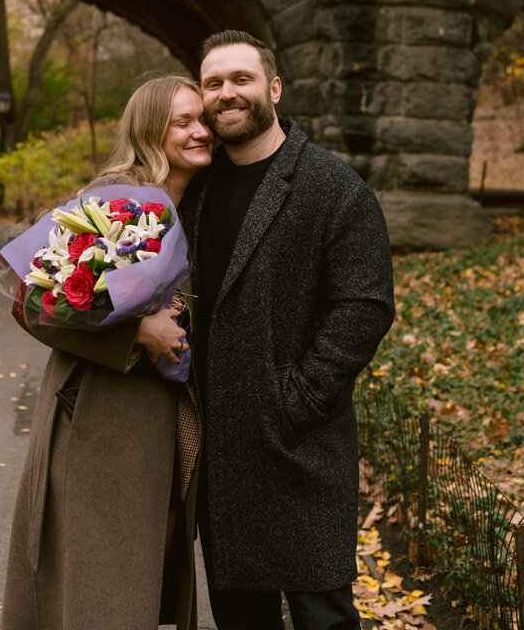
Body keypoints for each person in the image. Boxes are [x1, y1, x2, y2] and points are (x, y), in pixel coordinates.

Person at [181, 31, 396, 630]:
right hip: (221, 454)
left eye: (241, 79)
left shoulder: (332, 187)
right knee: (241, 616)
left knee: (322, 612)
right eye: (214, 83)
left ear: (273, 88)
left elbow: (364, 306)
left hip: (301, 446)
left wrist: (293, 400)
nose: (227, 94)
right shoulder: (193, 191)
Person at [1, 74, 212, 630]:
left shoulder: (205, 199)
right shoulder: (114, 201)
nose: (199, 131)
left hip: (166, 416)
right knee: (100, 584)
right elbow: (32, 302)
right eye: (182, 122)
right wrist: (136, 332)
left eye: (202, 119)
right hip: (100, 416)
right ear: (149, 129)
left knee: (140, 580)